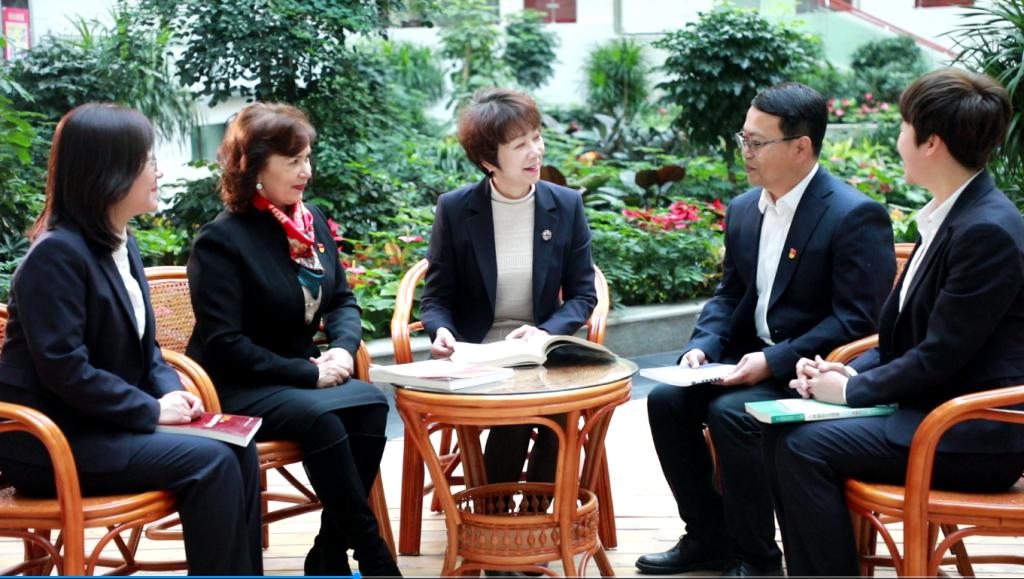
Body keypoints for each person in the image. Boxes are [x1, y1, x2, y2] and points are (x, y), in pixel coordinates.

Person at [767, 68, 1024, 577]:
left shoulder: (987, 231)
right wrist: (847, 373)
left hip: (972, 434)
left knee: (802, 447)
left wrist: (850, 392)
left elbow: (940, 355)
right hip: (932, 411)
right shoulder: (950, 215)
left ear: (932, 142)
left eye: (904, 126)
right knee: (784, 431)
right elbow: (904, 337)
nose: (898, 137)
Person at [636, 83, 896, 577]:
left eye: (758, 142)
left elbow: (858, 321)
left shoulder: (853, 215)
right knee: (666, 401)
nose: (746, 152)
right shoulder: (744, 209)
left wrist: (773, 362)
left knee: (732, 413)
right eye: (744, 139)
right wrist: (703, 345)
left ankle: (757, 557)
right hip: (747, 355)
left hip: (812, 369)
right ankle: (708, 536)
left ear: (801, 147)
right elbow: (729, 294)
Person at [0, 103, 262, 575]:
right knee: (212, 462)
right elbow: (65, 369)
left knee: (238, 448)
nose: (157, 171)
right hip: (53, 442)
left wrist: (172, 394)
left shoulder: (120, 242)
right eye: (147, 160)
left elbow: (148, 350)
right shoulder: (55, 255)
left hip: (104, 426)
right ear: (109, 171)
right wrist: (151, 410)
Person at [185, 103, 400, 577]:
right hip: (238, 383)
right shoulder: (220, 241)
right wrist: (308, 373)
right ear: (255, 168)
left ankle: (327, 553)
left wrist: (341, 349)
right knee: (321, 419)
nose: (307, 171)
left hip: (301, 376)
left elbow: (341, 300)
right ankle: (373, 555)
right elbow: (224, 343)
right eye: (294, 161)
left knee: (370, 403)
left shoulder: (310, 221)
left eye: (307, 158)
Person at [420, 87, 597, 488]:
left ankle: (534, 512)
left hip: (539, 349)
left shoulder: (566, 205)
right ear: (488, 161)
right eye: (520, 145)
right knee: (519, 402)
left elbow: (583, 295)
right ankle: (501, 511)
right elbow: (436, 297)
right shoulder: (456, 209)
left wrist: (546, 332)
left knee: (555, 405)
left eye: (536, 137)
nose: (536, 152)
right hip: (476, 351)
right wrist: (441, 330)